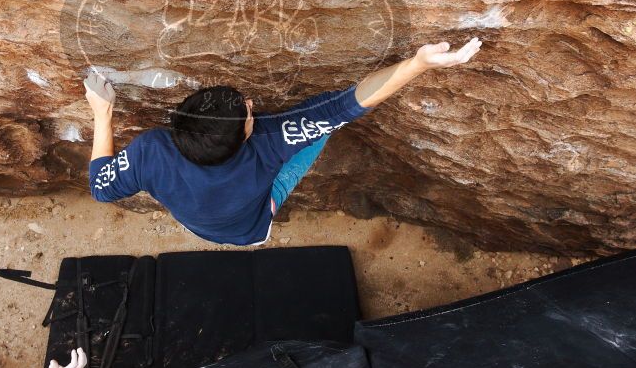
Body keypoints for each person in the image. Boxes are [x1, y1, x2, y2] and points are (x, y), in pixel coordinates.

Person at [86, 38, 482, 245]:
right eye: (248, 112)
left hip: (199, 221)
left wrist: (102, 115)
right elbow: (349, 104)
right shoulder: (269, 144)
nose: (252, 105)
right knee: (324, 126)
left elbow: (101, 188)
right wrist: (416, 64)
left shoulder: (149, 151)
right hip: (253, 224)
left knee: (323, 123)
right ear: (246, 135)